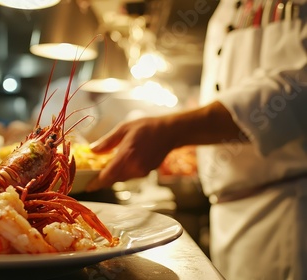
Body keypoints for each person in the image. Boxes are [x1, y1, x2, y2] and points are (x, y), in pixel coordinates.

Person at [86, 0, 307, 279]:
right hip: (229, 213)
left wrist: (173, 129)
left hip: (287, 214)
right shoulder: (226, 8)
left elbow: (298, 91)